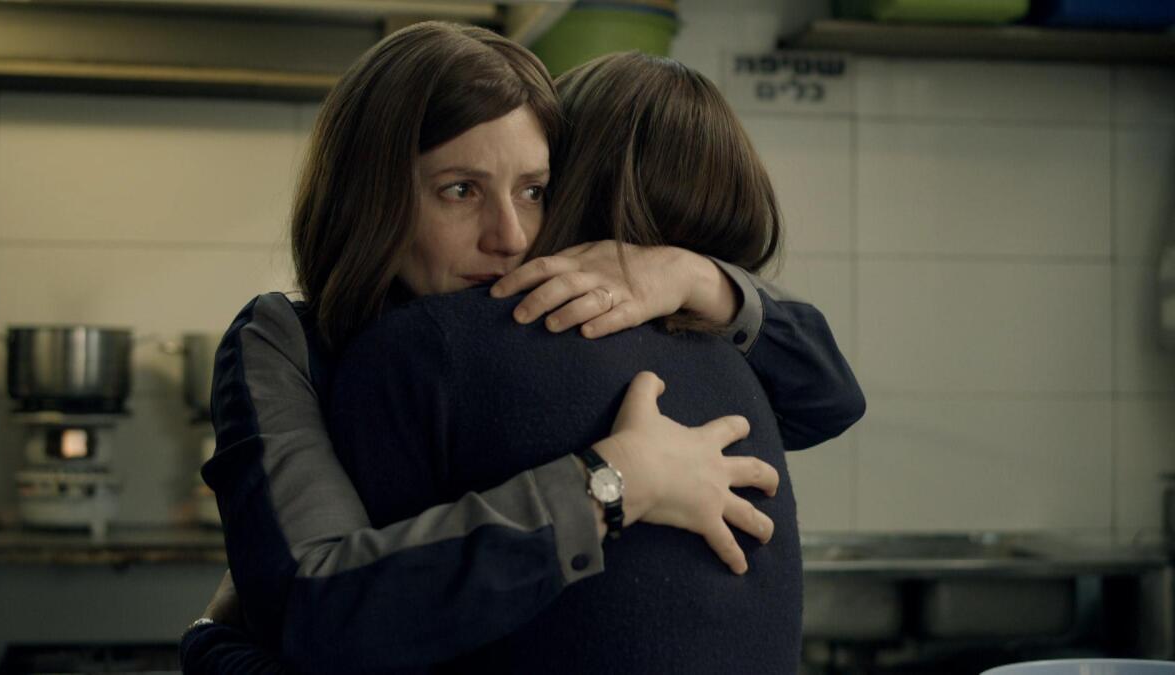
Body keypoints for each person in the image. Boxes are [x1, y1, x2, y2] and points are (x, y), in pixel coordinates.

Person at [181, 22, 862, 675]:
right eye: (460, 190)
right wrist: (615, 480)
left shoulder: (557, 328)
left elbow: (828, 398)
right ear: (370, 196)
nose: (508, 235)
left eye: (534, 191)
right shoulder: (293, 341)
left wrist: (698, 275)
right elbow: (324, 612)